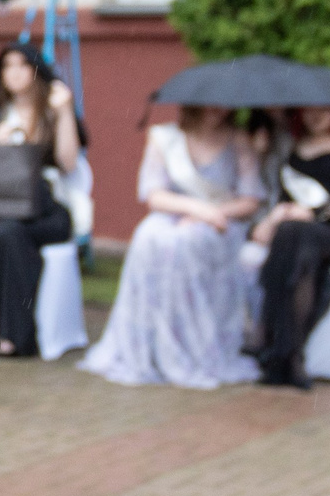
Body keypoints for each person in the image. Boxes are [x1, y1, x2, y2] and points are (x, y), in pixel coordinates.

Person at [82, 102, 265, 389]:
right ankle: (149, 345)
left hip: (221, 222)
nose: (218, 110)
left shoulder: (239, 140)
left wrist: (210, 215)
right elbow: (154, 196)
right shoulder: (165, 137)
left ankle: (190, 347)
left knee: (186, 241)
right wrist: (195, 209)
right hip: (178, 214)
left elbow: (250, 200)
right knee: (149, 235)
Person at [247, 105, 330, 390]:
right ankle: (292, 356)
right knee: (298, 251)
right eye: (308, 111)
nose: (316, 115)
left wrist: (314, 211)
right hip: (294, 233)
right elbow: (280, 194)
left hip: (328, 227)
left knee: (298, 238)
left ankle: (268, 340)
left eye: (322, 110)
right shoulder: (291, 144)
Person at [0, 46, 82, 358]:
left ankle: (16, 336)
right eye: (7, 66)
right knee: (3, 233)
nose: (14, 72)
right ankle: (0, 332)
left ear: (36, 70)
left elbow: (69, 163)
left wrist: (65, 112)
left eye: (22, 65)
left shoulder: (53, 110)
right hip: (5, 211)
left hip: (48, 210)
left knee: (10, 234)